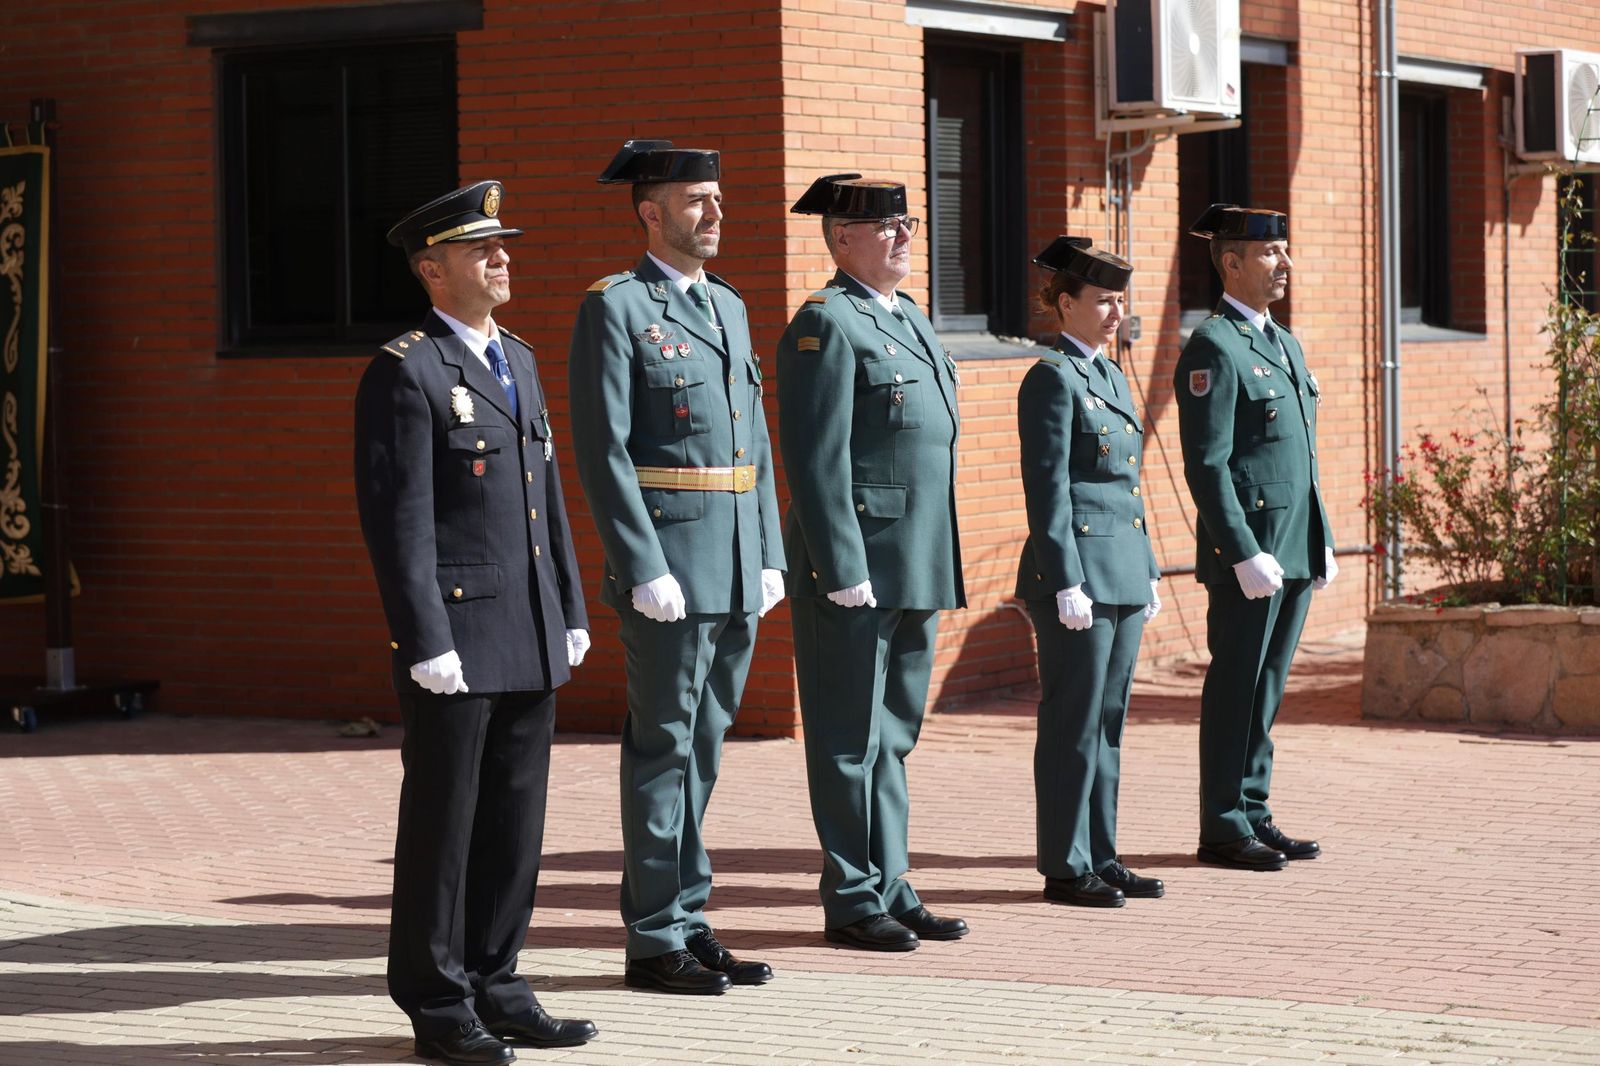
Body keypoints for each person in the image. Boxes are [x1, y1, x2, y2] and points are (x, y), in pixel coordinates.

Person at [354, 181, 596, 1066]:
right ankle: (437, 999)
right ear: (432, 269)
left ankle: (500, 984)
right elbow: (399, 522)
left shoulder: (518, 358)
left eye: (503, 246)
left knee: (514, 824)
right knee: (444, 826)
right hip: (457, 637)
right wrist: (424, 640)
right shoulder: (407, 369)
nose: (502, 258)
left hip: (528, 627)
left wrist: (569, 606)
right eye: (480, 249)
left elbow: (547, 501)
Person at [568, 140, 785, 995]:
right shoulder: (617, 307)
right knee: (663, 747)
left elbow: (754, 441)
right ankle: (654, 937)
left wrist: (767, 551)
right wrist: (640, 564)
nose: (715, 211)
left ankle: (689, 919)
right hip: (670, 563)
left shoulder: (727, 304)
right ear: (650, 212)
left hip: (732, 562)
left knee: (704, 747)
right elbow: (603, 449)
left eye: (717, 197)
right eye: (697, 199)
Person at [776, 174, 968, 952]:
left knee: (893, 737)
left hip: (915, 556)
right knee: (849, 739)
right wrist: (839, 564)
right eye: (887, 227)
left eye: (908, 223)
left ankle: (892, 884)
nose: (904, 236)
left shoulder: (907, 315)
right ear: (842, 238)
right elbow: (814, 457)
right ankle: (853, 899)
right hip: (855, 567)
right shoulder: (826, 324)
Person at [1174, 203, 1336, 872]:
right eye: (1271, 253)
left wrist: (1321, 537)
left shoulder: (1283, 342)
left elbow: (1303, 454)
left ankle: (1253, 809)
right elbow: (1207, 464)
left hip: (1292, 543)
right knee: (1237, 686)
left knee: (1267, 686)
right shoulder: (1214, 346)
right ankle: (1222, 825)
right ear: (1232, 262)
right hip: (1252, 551)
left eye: (1285, 250)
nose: (1284, 263)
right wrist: (1241, 551)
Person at [1016, 237, 1165, 908]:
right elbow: (1048, 489)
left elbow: (1127, 486)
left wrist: (1148, 568)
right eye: (1103, 300)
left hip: (1122, 570)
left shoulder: (1109, 374)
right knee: (1072, 725)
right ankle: (1065, 864)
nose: (1116, 313)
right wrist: (1065, 580)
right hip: (1077, 576)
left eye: (1120, 301)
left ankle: (1102, 854)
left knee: (1108, 723)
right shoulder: (1051, 378)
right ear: (1065, 304)